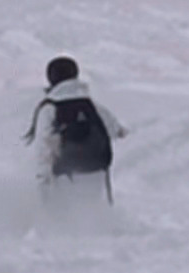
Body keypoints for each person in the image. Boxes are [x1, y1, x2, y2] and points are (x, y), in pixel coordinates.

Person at [27, 53, 123, 196]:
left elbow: (44, 146)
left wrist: (43, 180)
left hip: (65, 176)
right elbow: (117, 131)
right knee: (91, 211)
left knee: (66, 215)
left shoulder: (50, 108)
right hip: (96, 172)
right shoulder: (90, 105)